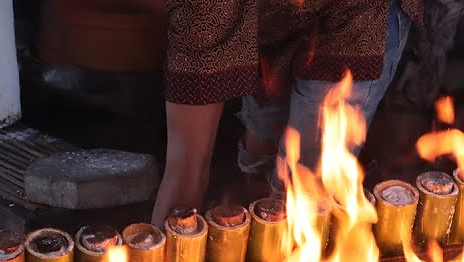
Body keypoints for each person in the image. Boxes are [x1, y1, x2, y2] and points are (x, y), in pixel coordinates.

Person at [153, 0, 420, 225]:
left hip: (357, 16)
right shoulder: (203, 12)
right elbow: (186, 165)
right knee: (261, 148)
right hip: (262, 24)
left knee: (306, 186)